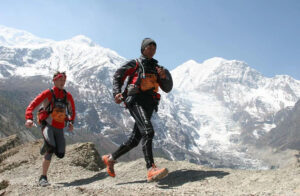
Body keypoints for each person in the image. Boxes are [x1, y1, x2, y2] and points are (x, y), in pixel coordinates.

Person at [102, 38, 173, 182]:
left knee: (135, 139)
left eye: (154, 47)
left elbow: (167, 88)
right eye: (149, 46)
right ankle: (151, 169)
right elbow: (118, 75)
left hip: (149, 104)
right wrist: (117, 92)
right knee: (148, 131)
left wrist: (164, 77)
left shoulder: (157, 68)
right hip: (135, 101)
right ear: (143, 49)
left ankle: (110, 158)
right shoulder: (135, 63)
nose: (152, 49)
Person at [25, 71, 76, 186]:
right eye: (60, 80)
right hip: (47, 124)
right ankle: (43, 178)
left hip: (59, 126)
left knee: (61, 154)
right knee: (51, 148)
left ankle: (46, 144)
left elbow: (72, 110)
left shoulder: (67, 96)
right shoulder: (48, 93)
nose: (62, 82)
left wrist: (71, 122)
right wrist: (29, 118)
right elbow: (32, 105)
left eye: (64, 80)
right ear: (54, 81)